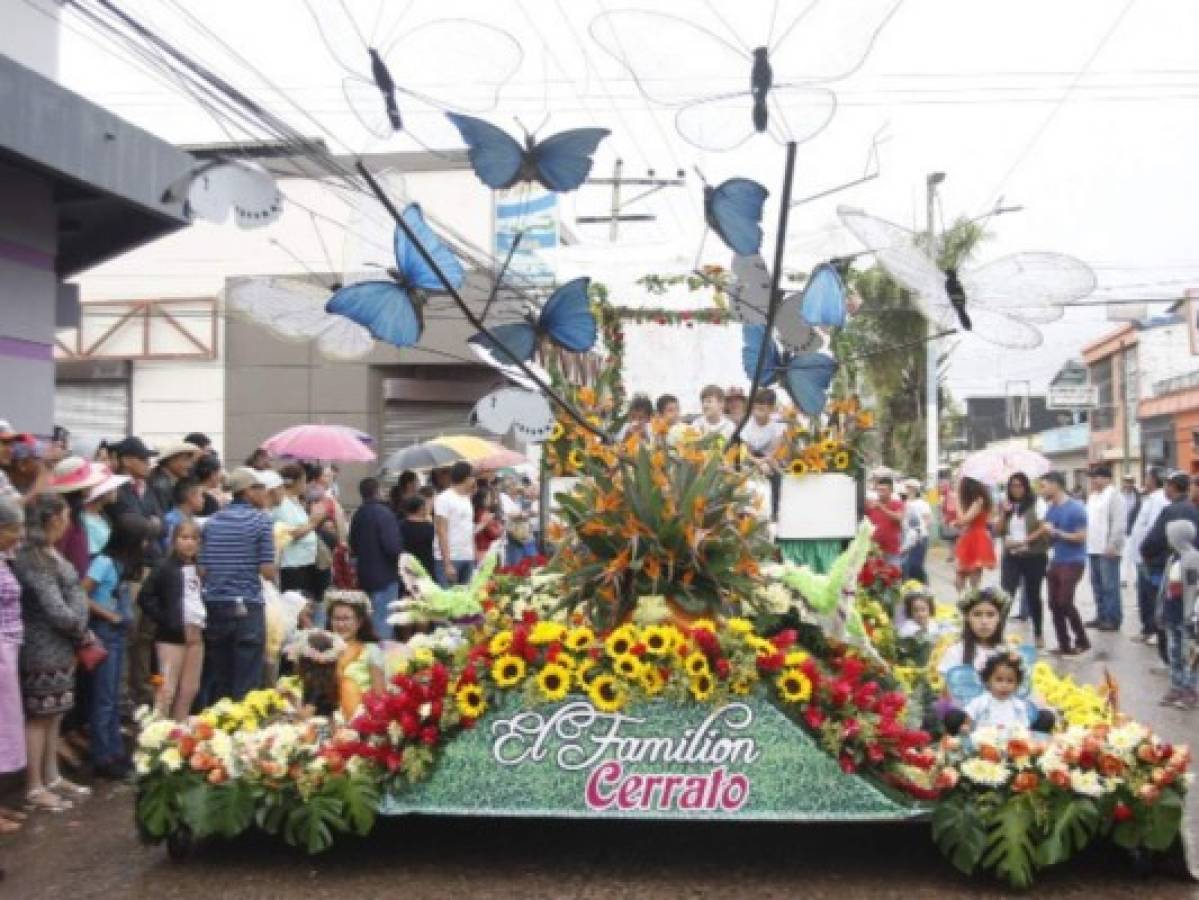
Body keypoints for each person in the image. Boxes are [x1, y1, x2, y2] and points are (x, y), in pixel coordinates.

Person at [14, 494, 91, 811]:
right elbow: (53, 607)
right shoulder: (32, 558)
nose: (68, 521)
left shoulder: (49, 553)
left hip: (61, 642)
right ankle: (35, 786)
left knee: (55, 712)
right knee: (40, 714)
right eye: (65, 515)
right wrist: (79, 628)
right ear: (52, 519)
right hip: (42, 642)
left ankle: (52, 776)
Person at [199, 467, 276, 703]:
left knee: (219, 674)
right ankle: (243, 731)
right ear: (247, 492)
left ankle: (217, 727)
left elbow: (202, 570)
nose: (265, 493)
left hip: (214, 604)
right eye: (260, 488)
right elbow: (267, 571)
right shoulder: (261, 522)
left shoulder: (211, 523)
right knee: (247, 679)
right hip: (248, 605)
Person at [83, 514, 147, 778]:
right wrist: (109, 615)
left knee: (112, 695)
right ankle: (103, 755)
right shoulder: (104, 562)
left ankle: (116, 750)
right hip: (105, 632)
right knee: (105, 698)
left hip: (118, 634)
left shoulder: (120, 565)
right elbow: (81, 592)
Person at [139, 520, 205, 722]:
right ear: (175, 540)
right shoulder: (164, 566)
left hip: (196, 637)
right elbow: (145, 597)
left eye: (194, 538)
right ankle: (155, 738)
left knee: (189, 689)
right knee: (165, 690)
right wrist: (165, 618)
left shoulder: (200, 569)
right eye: (184, 538)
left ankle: (179, 734)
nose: (189, 543)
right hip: (170, 638)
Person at [1139, 471, 1199, 658]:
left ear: (1172, 487)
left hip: (1165, 567)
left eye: (1166, 485)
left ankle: (1173, 659)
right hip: (1188, 568)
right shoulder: (1191, 509)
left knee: (1168, 613)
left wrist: (1145, 552)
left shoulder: (1172, 510)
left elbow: (1154, 540)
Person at [1031, 471, 1090, 656]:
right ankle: (1063, 644)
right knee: (1053, 603)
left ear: (1056, 485)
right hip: (1057, 560)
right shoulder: (1051, 509)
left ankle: (1082, 640)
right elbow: (1050, 538)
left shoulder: (1076, 508)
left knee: (1065, 602)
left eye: (1044, 485)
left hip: (1074, 561)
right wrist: (1045, 535)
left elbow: (1081, 536)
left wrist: (1056, 532)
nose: (1042, 489)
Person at [0, 496, 28, 833]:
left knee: (7, 726)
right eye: (13, 530)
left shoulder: (7, 559)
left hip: (10, 646)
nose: (19, 537)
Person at [997, 472, 1050, 648]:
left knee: (1033, 595)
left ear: (1026, 487)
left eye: (1019, 485)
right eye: (1012, 486)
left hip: (1033, 555)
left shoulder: (1037, 503)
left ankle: (1038, 633)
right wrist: (1004, 514)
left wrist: (1024, 541)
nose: (1015, 489)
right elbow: (997, 530)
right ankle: (997, 632)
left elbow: (1044, 528)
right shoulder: (1007, 505)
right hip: (1012, 556)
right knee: (1006, 594)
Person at [348, 477, 401, 639]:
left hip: (364, 574)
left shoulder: (358, 514)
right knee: (383, 620)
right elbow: (392, 546)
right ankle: (382, 657)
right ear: (377, 492)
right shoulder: (385, 514)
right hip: (385, 574)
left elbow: (353, 544)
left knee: (368, 621)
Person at [325, 590, 386, 719]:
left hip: (361, 718)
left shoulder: (371, 650)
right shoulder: (320, 651)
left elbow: (380, 695)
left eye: (346, 619)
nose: (341, 624)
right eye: (336, 619)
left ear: (359, 622)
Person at [1159, 519, 1198, 710]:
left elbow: (1192, 588)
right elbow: (1165, 586)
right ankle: (1176, 686)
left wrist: (1192, 615)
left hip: (1187, 615)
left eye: (1170, 535)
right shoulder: (1173, 557)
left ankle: (1190, 689)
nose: (1167, 538)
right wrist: (1161, 610)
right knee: (1173, 652)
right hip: (1172, 612)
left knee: (1189, 654)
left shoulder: (1192, 559)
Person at [273, 463, 325, 601]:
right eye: (304, 480)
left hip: (305, 562)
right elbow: (291, 533)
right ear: (296, 482)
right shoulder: (282, 504)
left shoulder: (295, 502)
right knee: (295, 605)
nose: (306, 485)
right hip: (292, 565)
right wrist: (314, 522)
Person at [1128, 468, 1168, 643]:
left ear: (1154, 479)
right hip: (1140, 554)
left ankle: (1155, 631)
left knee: (1152, 594)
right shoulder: (1148, 498)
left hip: (1149, 556)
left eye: (1147, 477)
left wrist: (1147, 552)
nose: (1144, 480)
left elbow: (1154, 528)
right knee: (1143, 594)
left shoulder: (1159, 499)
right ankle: (1147, 628)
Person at [1083, 464, 1125, 631]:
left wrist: (1113, 544)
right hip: (1093, 547)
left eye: (1097, 477)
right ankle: (1101, 616)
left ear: (1107, 478)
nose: (1094, 480)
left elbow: (1119, 522)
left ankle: (1113, 618)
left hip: (1108, 549)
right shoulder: (1093, 496)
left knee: (1110, 586)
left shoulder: (1114, 496)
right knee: (1097, 584)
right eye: (1092, 477)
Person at [961, 652, 1039, 735]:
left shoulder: (1018, 705)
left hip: (1011, 743)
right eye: (999, 680)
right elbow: (968, 721)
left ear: (1017, 684)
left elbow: (1025, 729)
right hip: (985, 742)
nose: (1004, 685)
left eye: (1010, 681)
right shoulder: (980, 702)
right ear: (988, 680)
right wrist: (966, 728)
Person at [434, 461, 477, 587]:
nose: (474, 480)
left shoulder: (466, 499)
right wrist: (447, 563)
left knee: (465, 600)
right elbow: (441, 531)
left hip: (467, 557)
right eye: (473, 476)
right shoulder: (444, 498)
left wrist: (473, 555)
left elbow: (468, 529)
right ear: (467, 478)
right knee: (448, 600)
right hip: (451, 558)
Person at [954, 476, 996, 591]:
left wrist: (956, 501)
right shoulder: (976, 500)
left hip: (976, 537)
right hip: (971, 536)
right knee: (962, 574)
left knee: (973, 574)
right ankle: (968, 599)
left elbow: (963, 519)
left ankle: (972, 600)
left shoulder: (978, 500)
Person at [148, 442, 200, 514]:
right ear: (170, 460)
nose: (189, 465)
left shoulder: (169, 482)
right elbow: (166, 519)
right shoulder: (160, 487)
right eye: (185, 460)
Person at [866, 476, 905, 567]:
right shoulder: (872, 504)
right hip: (874, 551)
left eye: (883, 490)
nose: (880, 493)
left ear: (891, 490)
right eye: (879, 490)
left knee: (893, 577)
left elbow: (899, 518)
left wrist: (881, 508)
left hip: (892, 551)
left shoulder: (897, 503)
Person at [901, 478, 932, 583]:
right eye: (906, 487)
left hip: (919, 537)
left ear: (915, 489)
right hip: (905, 538)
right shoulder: (903, 503)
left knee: (916, 564)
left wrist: (919, 534)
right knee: (905, 564)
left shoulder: (922, 504)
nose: (907, 489)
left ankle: (923, 585)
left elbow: (927, 520)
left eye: (909, 487)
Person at [162, 477, 204, 551]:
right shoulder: (171, 520)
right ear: (190, 496)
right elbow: (169, 549)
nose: (203, 500)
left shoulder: (193, 520)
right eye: (201, 495)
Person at [400, 495, 436, 576]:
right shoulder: (429, 527)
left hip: (407, 567)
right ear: (420, 509)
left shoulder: (400, 526)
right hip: (426, 568)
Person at [472, 482, 503, 562]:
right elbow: (494, 533)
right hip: (483, 549)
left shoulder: (478, 511)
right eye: (489, 497)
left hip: (481, 548)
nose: (491, 499)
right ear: (483, 499)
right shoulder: (483, 513)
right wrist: (500, 527)